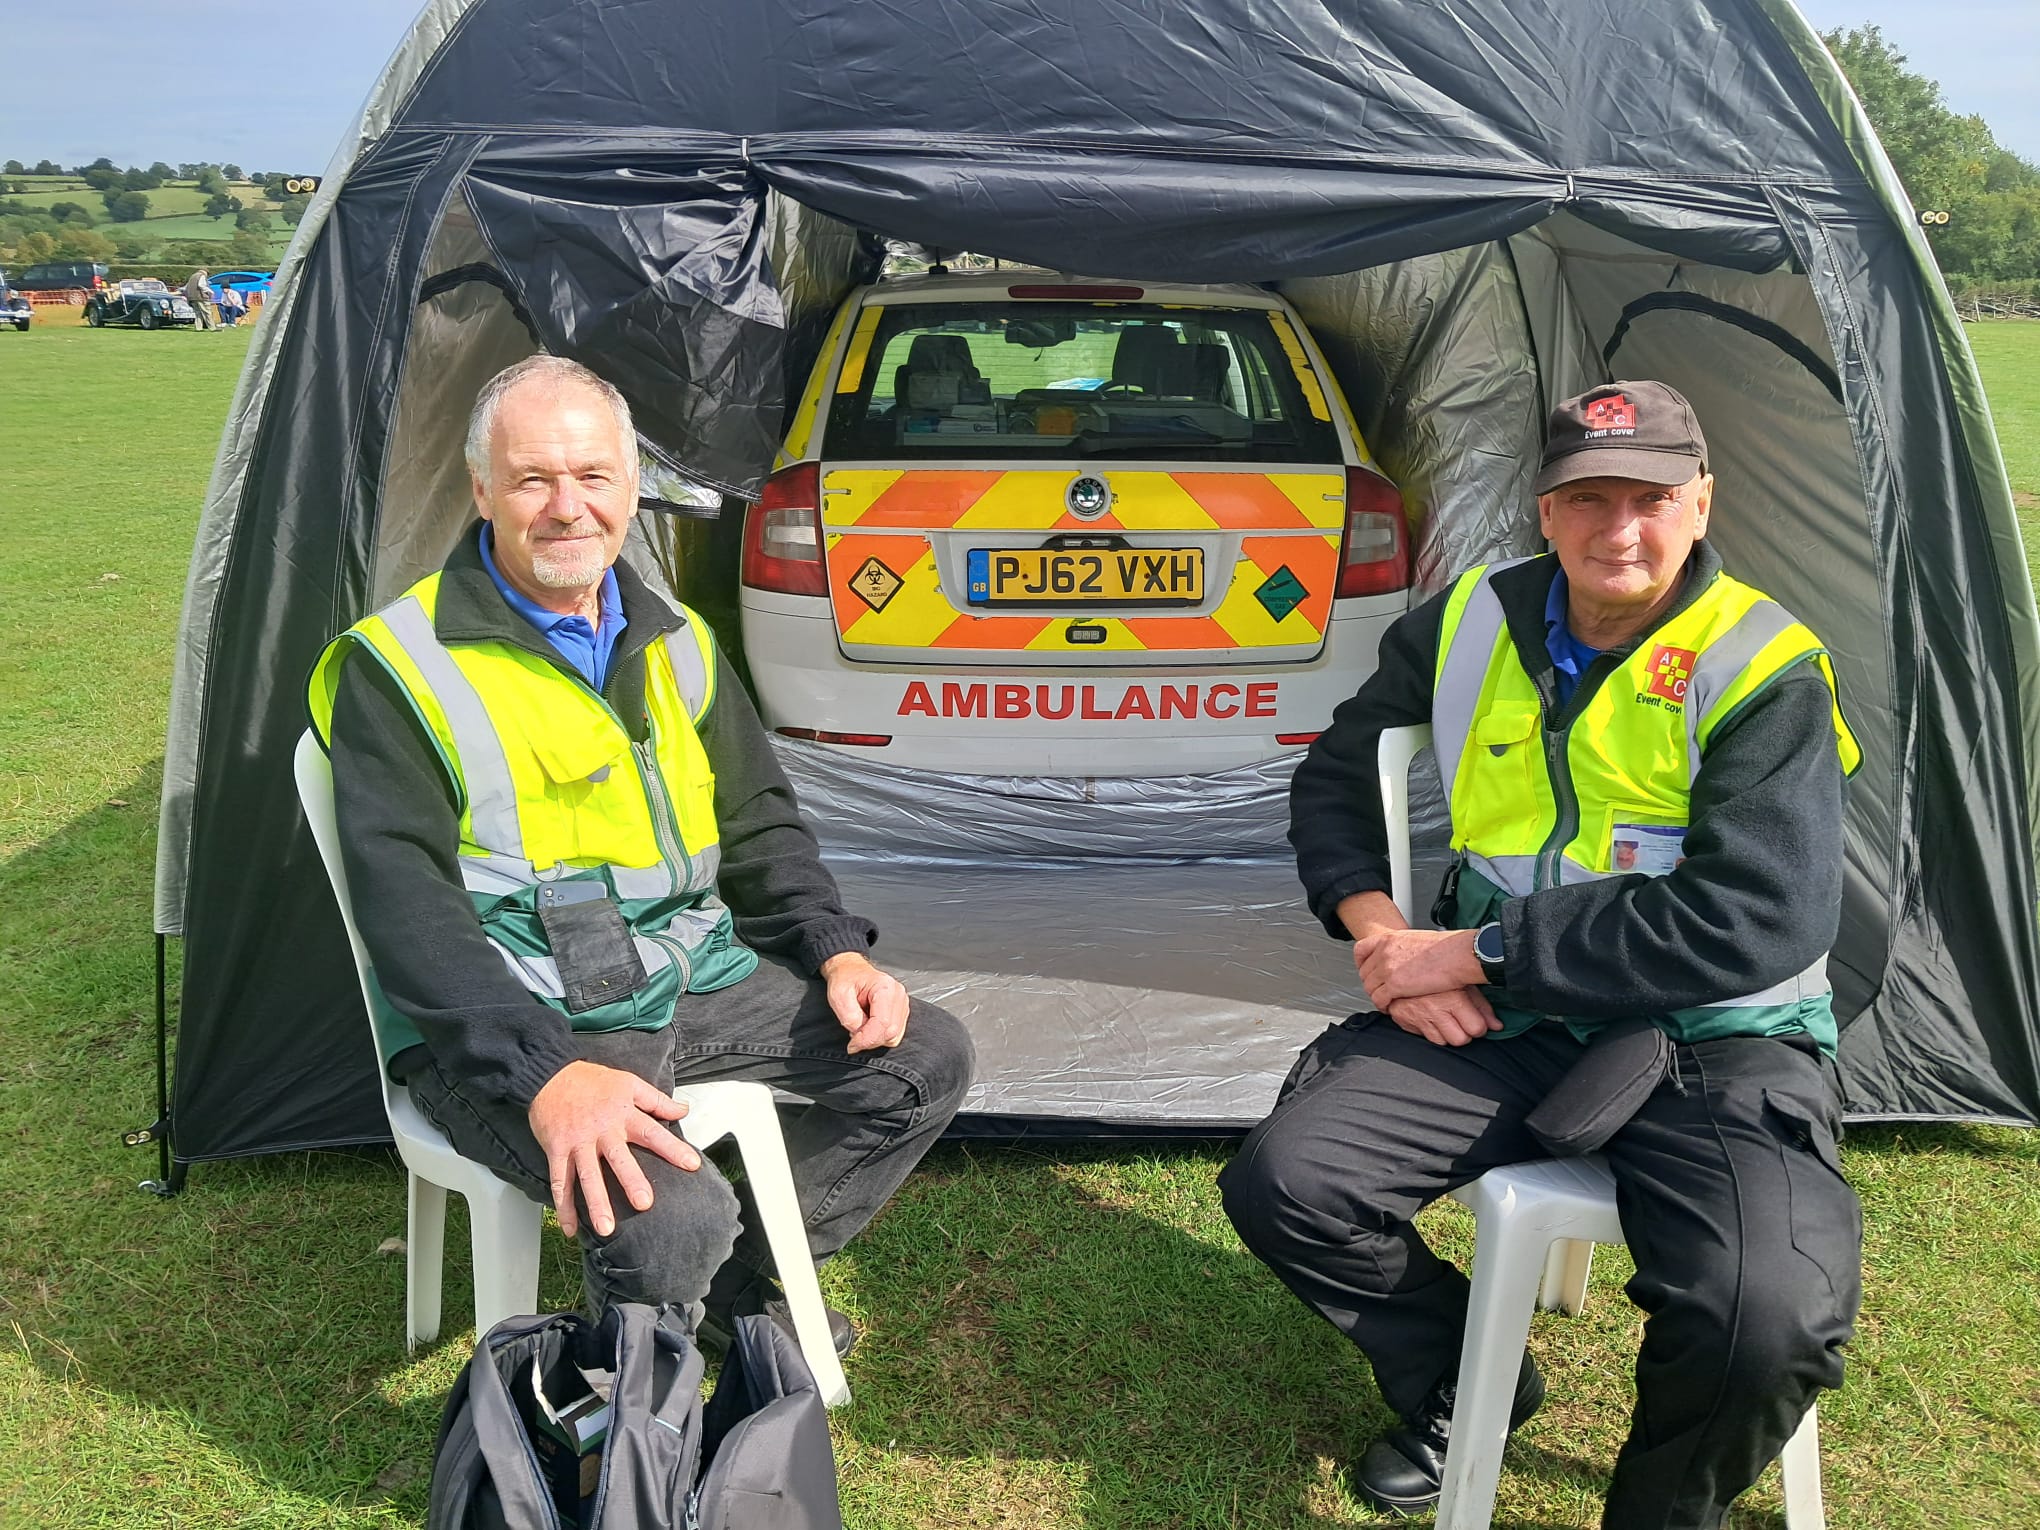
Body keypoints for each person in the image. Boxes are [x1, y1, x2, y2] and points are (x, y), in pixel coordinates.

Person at [1221, 381, 1863, 1527]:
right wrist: (1383, 938)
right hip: (1513, 1023)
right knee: (1291, 1184)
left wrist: (1475, 951)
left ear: (1702, 501)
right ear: (1546, 510)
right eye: (1590, 499)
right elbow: (1334, 778)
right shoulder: (1474, 618)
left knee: (1766, 1320)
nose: (1622, 529)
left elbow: (1757, 916)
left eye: (1652, 499)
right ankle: (1463, 1380)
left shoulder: (1763, 663)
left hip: (1715, 1036)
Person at [308, 354, 976, 1348]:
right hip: (518, 1008)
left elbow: (759, 820)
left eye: (593, 476)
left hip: (684, 970)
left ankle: (734, 1290)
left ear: (631, 488)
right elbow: (406, 907)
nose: (566, 507)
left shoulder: (679, 640)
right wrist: (544, 1073)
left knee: (924, 1060)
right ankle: (624, 1396)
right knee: (673, 1217)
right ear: (481, 490)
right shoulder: (398, 665)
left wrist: (835, 950)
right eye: (532, 479)